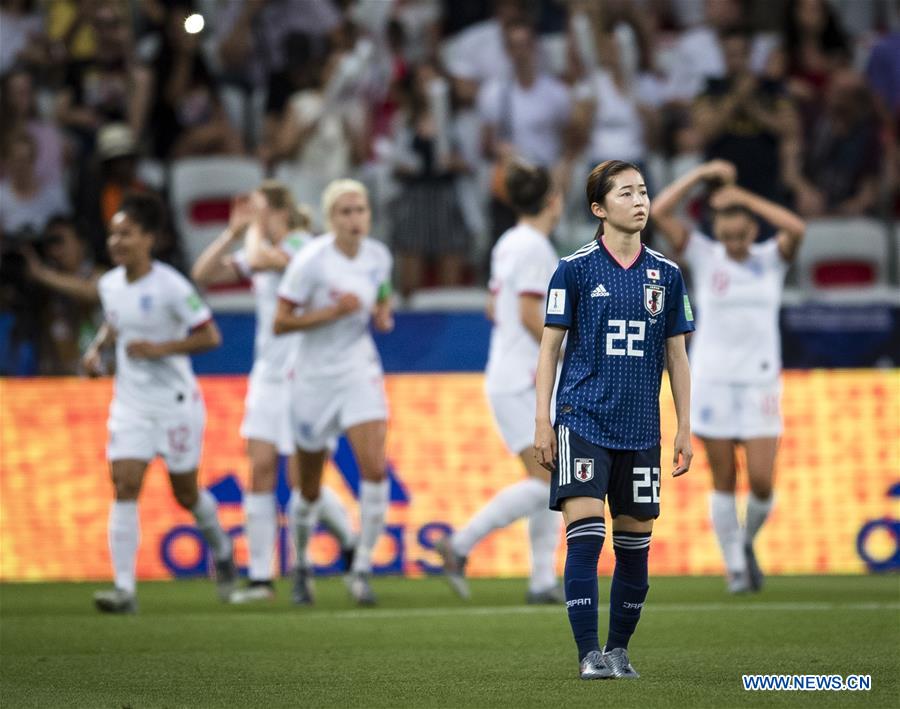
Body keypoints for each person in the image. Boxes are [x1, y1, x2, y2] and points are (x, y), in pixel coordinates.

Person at [533, 160, 694, 680]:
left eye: (644, 191)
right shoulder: (574, 269)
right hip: (582, 420)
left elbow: (678, 357)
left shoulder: (666, 275)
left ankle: (618, 649)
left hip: (642, 428)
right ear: (600, 209)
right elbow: (549, 349)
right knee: (586, 536)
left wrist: (684, 426)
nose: (640, 200)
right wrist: (543, 421)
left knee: (634, 546)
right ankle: (588, 655)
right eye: (626, 193)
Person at [191, 182, 355, 603]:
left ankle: (349, 541)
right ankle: (261, 578)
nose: (250, 214)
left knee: (305, 479)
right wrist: (231, 233)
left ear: (278, 209)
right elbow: (202, 276)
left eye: (257, 207)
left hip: (303, 375)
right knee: (260, 468)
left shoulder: (302, 245)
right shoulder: (261, 244)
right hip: (267, 375)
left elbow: (263, 259)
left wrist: (249, 231)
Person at [651, 159, 806, 594]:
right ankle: (735, 567)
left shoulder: (771, 259)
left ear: (753, 229)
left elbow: (797, 228)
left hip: (759, 382)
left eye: (742, 234)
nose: (735, 243)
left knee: (760, 480)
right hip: (713, 380)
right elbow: (661, 212)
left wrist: (744, 197)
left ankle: (747, 543)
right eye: (727, 234)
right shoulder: (704, 253)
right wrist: (699, 176)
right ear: (716, 230)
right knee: (723, 477)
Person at [82, 193, 236, 613]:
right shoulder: (108, 284)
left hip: (175, 402)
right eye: (113, 234)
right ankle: (125, 590)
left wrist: (161, 348)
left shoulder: (172, 286)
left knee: (185, 493)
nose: (117, 242)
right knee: (125, 485)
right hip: (131, 404)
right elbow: (115, 325)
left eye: (126, 233)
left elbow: (209, 336)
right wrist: (98, 351)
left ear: (149, 238)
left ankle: (222, 551)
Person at [436, 161, 563, 603]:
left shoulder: (509, 242)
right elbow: (531, 314)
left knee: (552, 477)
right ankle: (459, 545)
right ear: (553, 201)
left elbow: (495, 308)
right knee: (548, 483)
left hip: (513, 372)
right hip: (524, 378)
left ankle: (543, 580)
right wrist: (570, 350)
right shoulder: (535, 248)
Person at [274, 179, 394, 607]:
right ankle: (301, 565)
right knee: (308, 487)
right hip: (312, 377)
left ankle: (361, 568)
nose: (354, 218)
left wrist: (382, 314)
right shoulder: (310, 261)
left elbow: (381, 294)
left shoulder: (378, 256)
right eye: (345, 211)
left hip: (358, 370)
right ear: (330, 219)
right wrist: (330, 312)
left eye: (360, 209)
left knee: (375, 468)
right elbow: (280, 322)